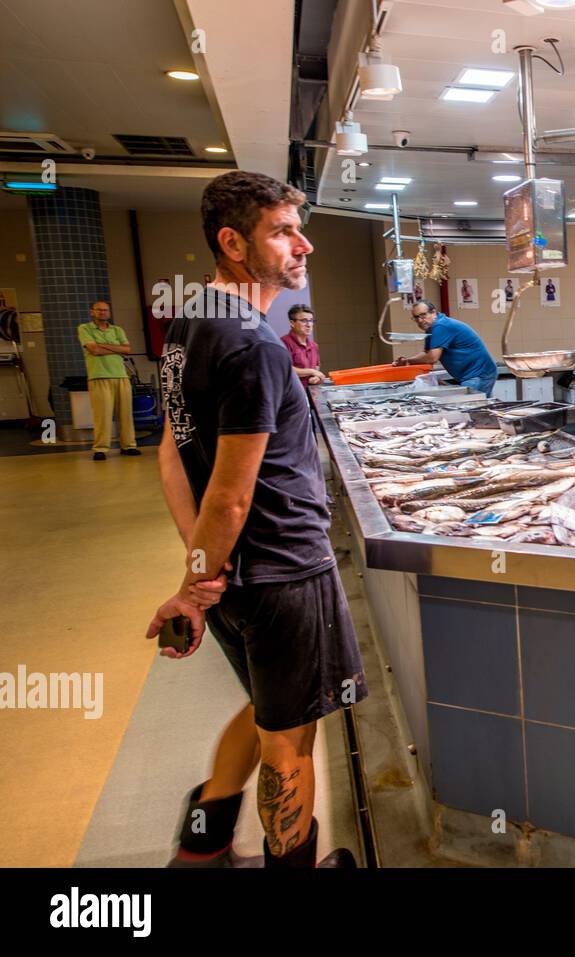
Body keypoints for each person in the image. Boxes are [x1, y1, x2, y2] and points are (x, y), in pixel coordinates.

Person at [149, 170, 366, 868]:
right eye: (283, 231)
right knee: (289, 738)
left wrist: (200, 571)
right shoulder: (254, 345)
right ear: (233, 242)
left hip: (234, 581)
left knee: (266, 707)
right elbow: (231, 496)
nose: (304, 245)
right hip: (284, 572)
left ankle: (203, 843)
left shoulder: (188, 326)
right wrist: (194, 579)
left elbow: (171, 456)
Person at [394, 300, 498, 396]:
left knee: (469, 409)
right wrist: (407, 361)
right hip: (473, 374)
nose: (420, 320)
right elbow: (426, 353)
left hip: (478, 374)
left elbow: (432, 358)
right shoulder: (431, 328)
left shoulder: (441, 325)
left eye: (423, 315)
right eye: (416, 317)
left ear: (433, 312)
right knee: (479, 409)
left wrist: (408, 361)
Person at [77, 300, 139, 459]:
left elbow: (127, 349)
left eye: (105, 310)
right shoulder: (85, 328)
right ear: (92, 312)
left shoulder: (117, 330)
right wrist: (115, 348)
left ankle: (128, 445)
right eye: (99, 310)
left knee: (126, 414)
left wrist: (103, 346)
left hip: (121, 376)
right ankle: (101, 449)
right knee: (102, 415)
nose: (103, 312)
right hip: (99, 376)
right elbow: (94, 349)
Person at [281, 304, 324, 386]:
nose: (309, 325)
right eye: (304, 320)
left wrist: (316, 377)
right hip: (292, 396)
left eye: (311, 320)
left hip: (311, 394)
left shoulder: (314, 345)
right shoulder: (283, 343)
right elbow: (284, 369)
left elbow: (316, 367)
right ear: (292, 323)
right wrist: (311, 371)